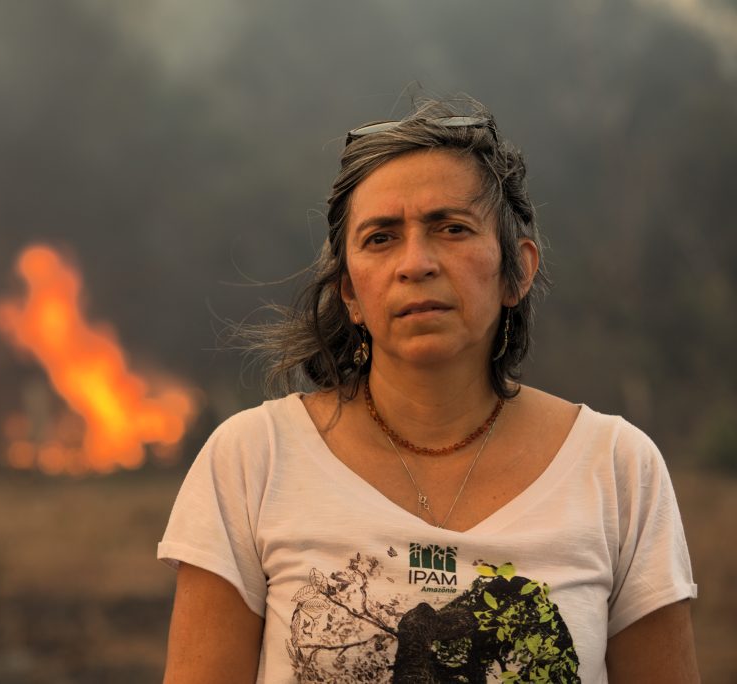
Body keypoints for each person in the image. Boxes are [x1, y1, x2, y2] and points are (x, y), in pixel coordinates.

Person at [157, 96, 699, 683]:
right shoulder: (253, 461)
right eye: (381, 238)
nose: (415, 262)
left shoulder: (616, 469)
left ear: (517, 269)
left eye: (451, 229)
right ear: (349, 293)